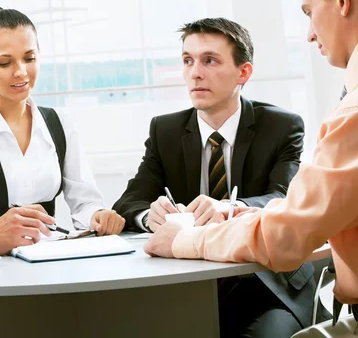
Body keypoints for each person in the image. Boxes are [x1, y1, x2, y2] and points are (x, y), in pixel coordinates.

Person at [145, 0, 358, 336]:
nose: (309, 34)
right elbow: (325, 213)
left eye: (308, 11)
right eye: (187, 61)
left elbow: (288, 236)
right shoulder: (164, 128)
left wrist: (189, 238)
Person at [114, 18, 318, 337]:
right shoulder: (164, 130)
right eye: (187, 60)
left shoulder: (282, 126)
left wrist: (229, 209)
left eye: (209, 60)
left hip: (265, 283)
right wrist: (147, 215)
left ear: (243, 73)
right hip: (185, 284)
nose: (195, 72)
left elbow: (281, 198)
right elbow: (128, 202)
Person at [0, 6, 124, 255]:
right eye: (5, 62)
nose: (20, 71)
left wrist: (98, 215)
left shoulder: (59, 122)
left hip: (51, 258)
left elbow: (84, 202)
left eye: (29, 58)